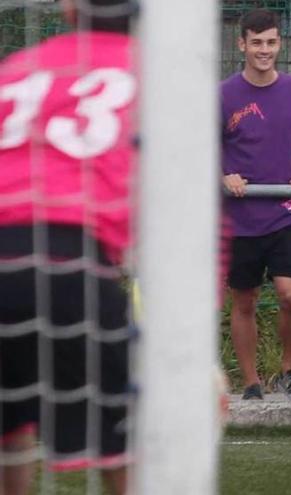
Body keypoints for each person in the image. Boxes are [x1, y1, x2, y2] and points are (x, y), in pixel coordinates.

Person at [0, 1, 137, 493]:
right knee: (121, 447)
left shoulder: (21, 67)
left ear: (69, 7)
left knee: (9, 438)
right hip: (72, 265)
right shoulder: (154, 73)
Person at [222, 9, 291, 401]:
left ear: (280, 44)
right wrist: (223, 177)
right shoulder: (223, 94)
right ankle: (250, 382)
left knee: (290, 293)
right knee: (244, 299)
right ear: (242, 44)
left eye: (272, 42)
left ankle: (289, 371)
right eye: (257, 42)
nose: (265, 50)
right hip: (239, 217)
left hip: (287, 211)